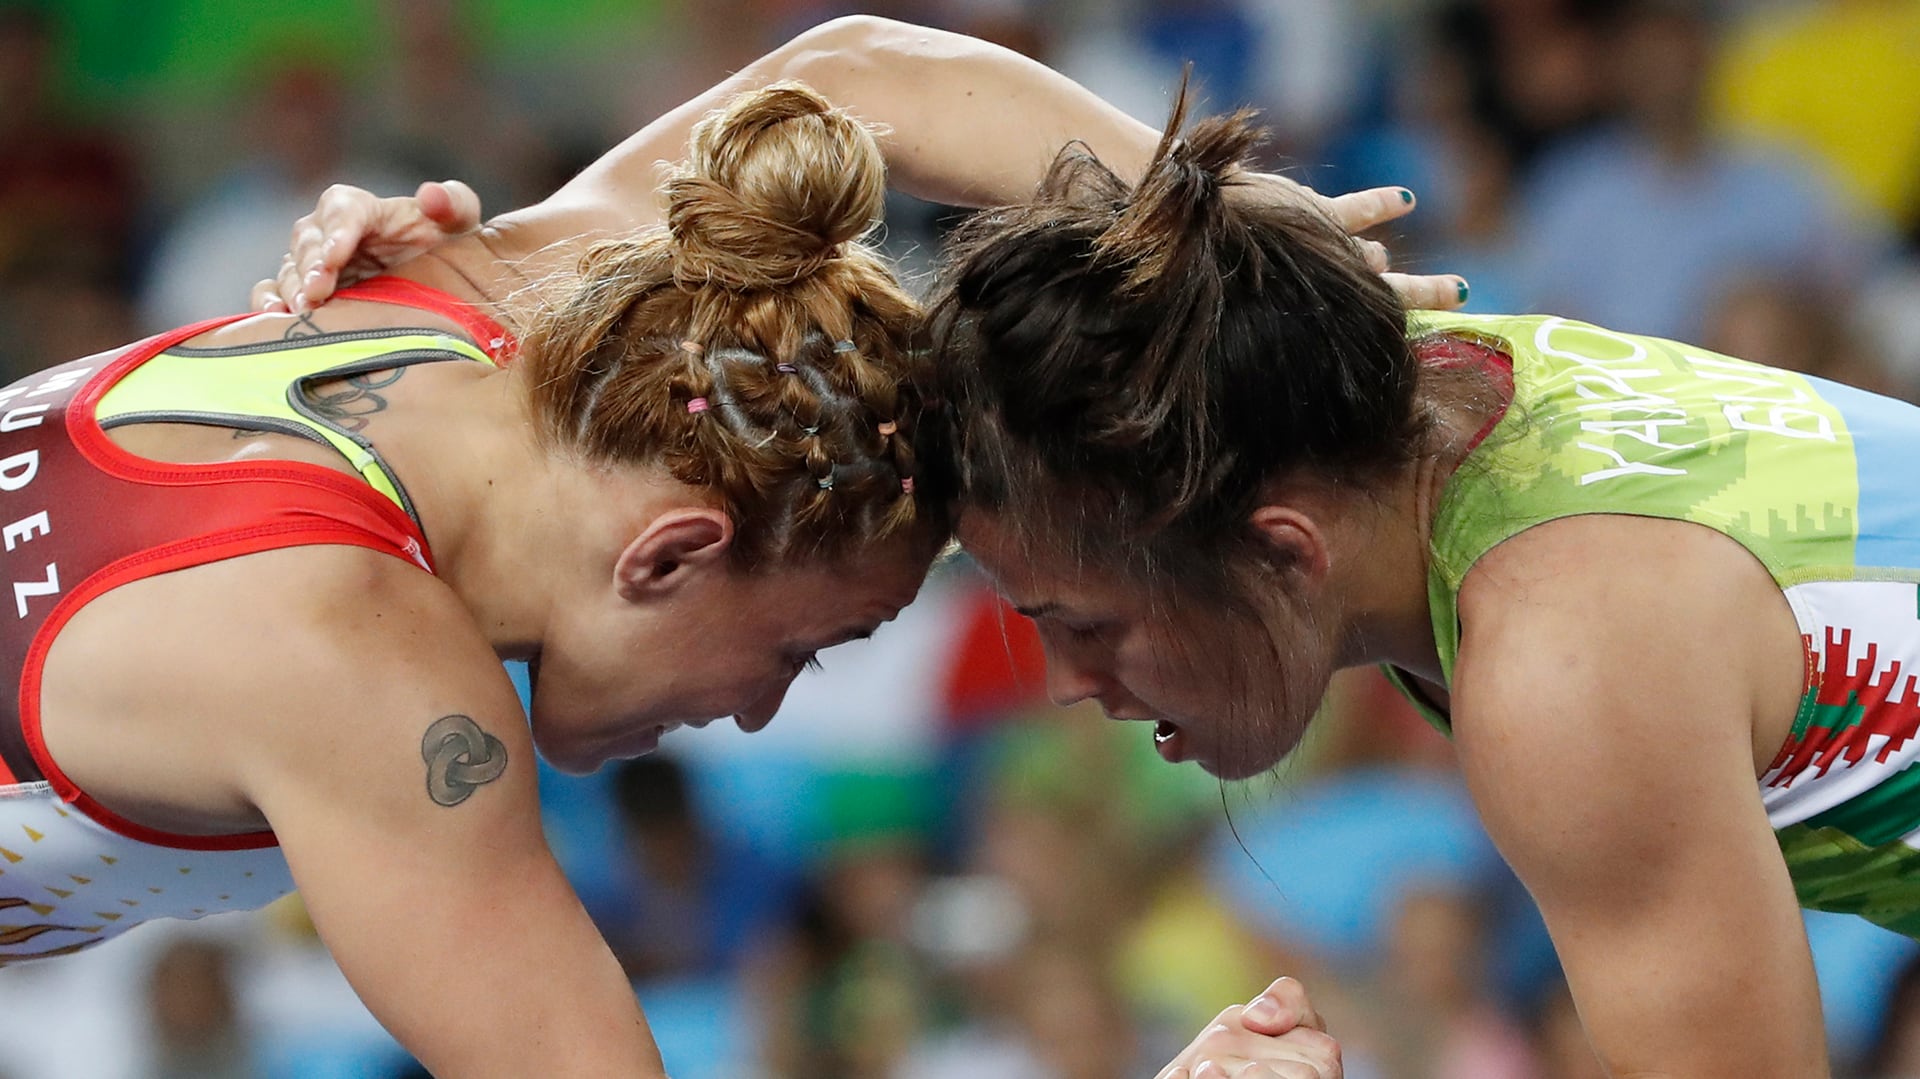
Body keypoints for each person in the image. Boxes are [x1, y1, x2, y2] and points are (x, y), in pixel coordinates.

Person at [290, 26, 1920, 1075]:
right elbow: (864, 77)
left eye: (1082, 621)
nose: (1064, 684)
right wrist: (500, 267)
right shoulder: (1369, 381)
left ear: (1278, 552)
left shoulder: (1569, 657)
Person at [17, 14, 1481, 1077]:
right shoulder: (352, 665)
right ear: (668, 554)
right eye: (803, 645)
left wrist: (1231, 231)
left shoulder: (506, 313)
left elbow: (857, 76)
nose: (765, 710)